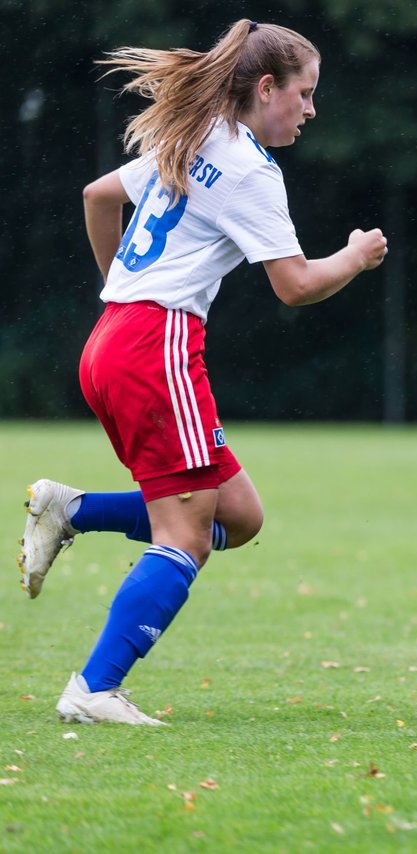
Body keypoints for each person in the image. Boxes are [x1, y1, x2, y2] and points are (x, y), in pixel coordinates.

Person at [18, 19, 387, 725]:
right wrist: (356, 254)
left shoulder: (195, 136)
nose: (311, 111)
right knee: (184, 535)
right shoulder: (247, 168)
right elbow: (296, 285)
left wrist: (122, 287)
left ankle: (73, 509)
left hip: (115, 339)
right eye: (304, 94)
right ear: (268, 86)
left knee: (238, 516)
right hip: (153, 345)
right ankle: (93, 690)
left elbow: (99, 196)